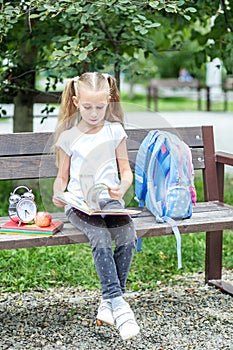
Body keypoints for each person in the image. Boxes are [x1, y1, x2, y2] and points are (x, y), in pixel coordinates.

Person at [52, 72, 140, 341]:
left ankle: (108, 300)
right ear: (77, 102)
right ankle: (120, 304)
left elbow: (126, 171)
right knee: (100, 235)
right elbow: (62, 178)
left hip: (109, 202)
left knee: (127, 234)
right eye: (87, 107)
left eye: (100, 107)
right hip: (80, 204)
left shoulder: (115, 131)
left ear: (109, 101)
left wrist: (122, 188)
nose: (94, 113)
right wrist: (59, 194)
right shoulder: (69, 136)